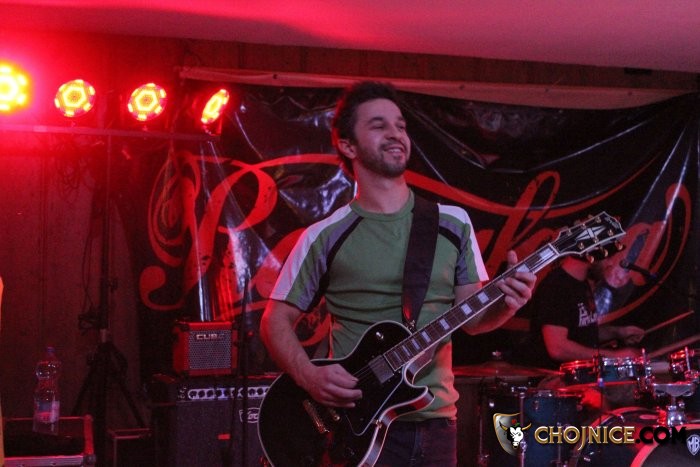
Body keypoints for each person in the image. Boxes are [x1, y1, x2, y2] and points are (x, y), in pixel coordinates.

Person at [259, 81, 536, 466]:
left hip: (437, 422)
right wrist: (308, 376)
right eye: (379, 125)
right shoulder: (325, 235)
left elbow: (474, 321)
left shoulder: (452, 223)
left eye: (400, 125)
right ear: (348, 145)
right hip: (354, 424)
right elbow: (274, 321)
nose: (395, 133)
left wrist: (508, 304)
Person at [526, 254, 645, 371]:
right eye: (608, 257)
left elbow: (583, 332)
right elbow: (558, 349)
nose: (610, 263)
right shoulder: (556, 286)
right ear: (590, 254)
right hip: (555, 377)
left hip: (582, 375)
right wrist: (615, 357)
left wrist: (618, 332)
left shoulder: (582, 284)